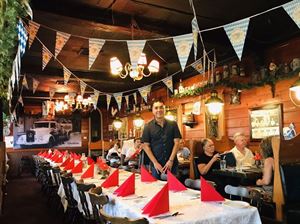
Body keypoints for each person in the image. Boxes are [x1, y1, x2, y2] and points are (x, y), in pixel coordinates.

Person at [142, 99, 182, 179]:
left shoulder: (173, 124)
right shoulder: (148, 127)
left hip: (172, 164)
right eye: (156, 108)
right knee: (158, 188)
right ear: (153, 110)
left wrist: (170, 161)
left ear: (164, 109)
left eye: (161, 107)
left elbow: (177, 143)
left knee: (173, 189)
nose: (159, 110)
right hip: (156, 166)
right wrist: (155, 163)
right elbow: (146, 146)